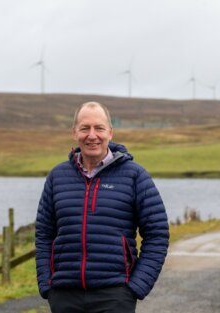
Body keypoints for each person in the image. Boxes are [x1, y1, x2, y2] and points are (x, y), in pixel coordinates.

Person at [35, 101, 169, 313]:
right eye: (84, 128)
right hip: (64, 295)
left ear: (110, 132)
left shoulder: (135, 176)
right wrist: (47, 284)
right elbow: (44, 234)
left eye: (99, 128)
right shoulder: (57, 177)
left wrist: (136, 287)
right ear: (74, 132)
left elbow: (157, 234)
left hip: (115, 295)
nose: (92, 135)